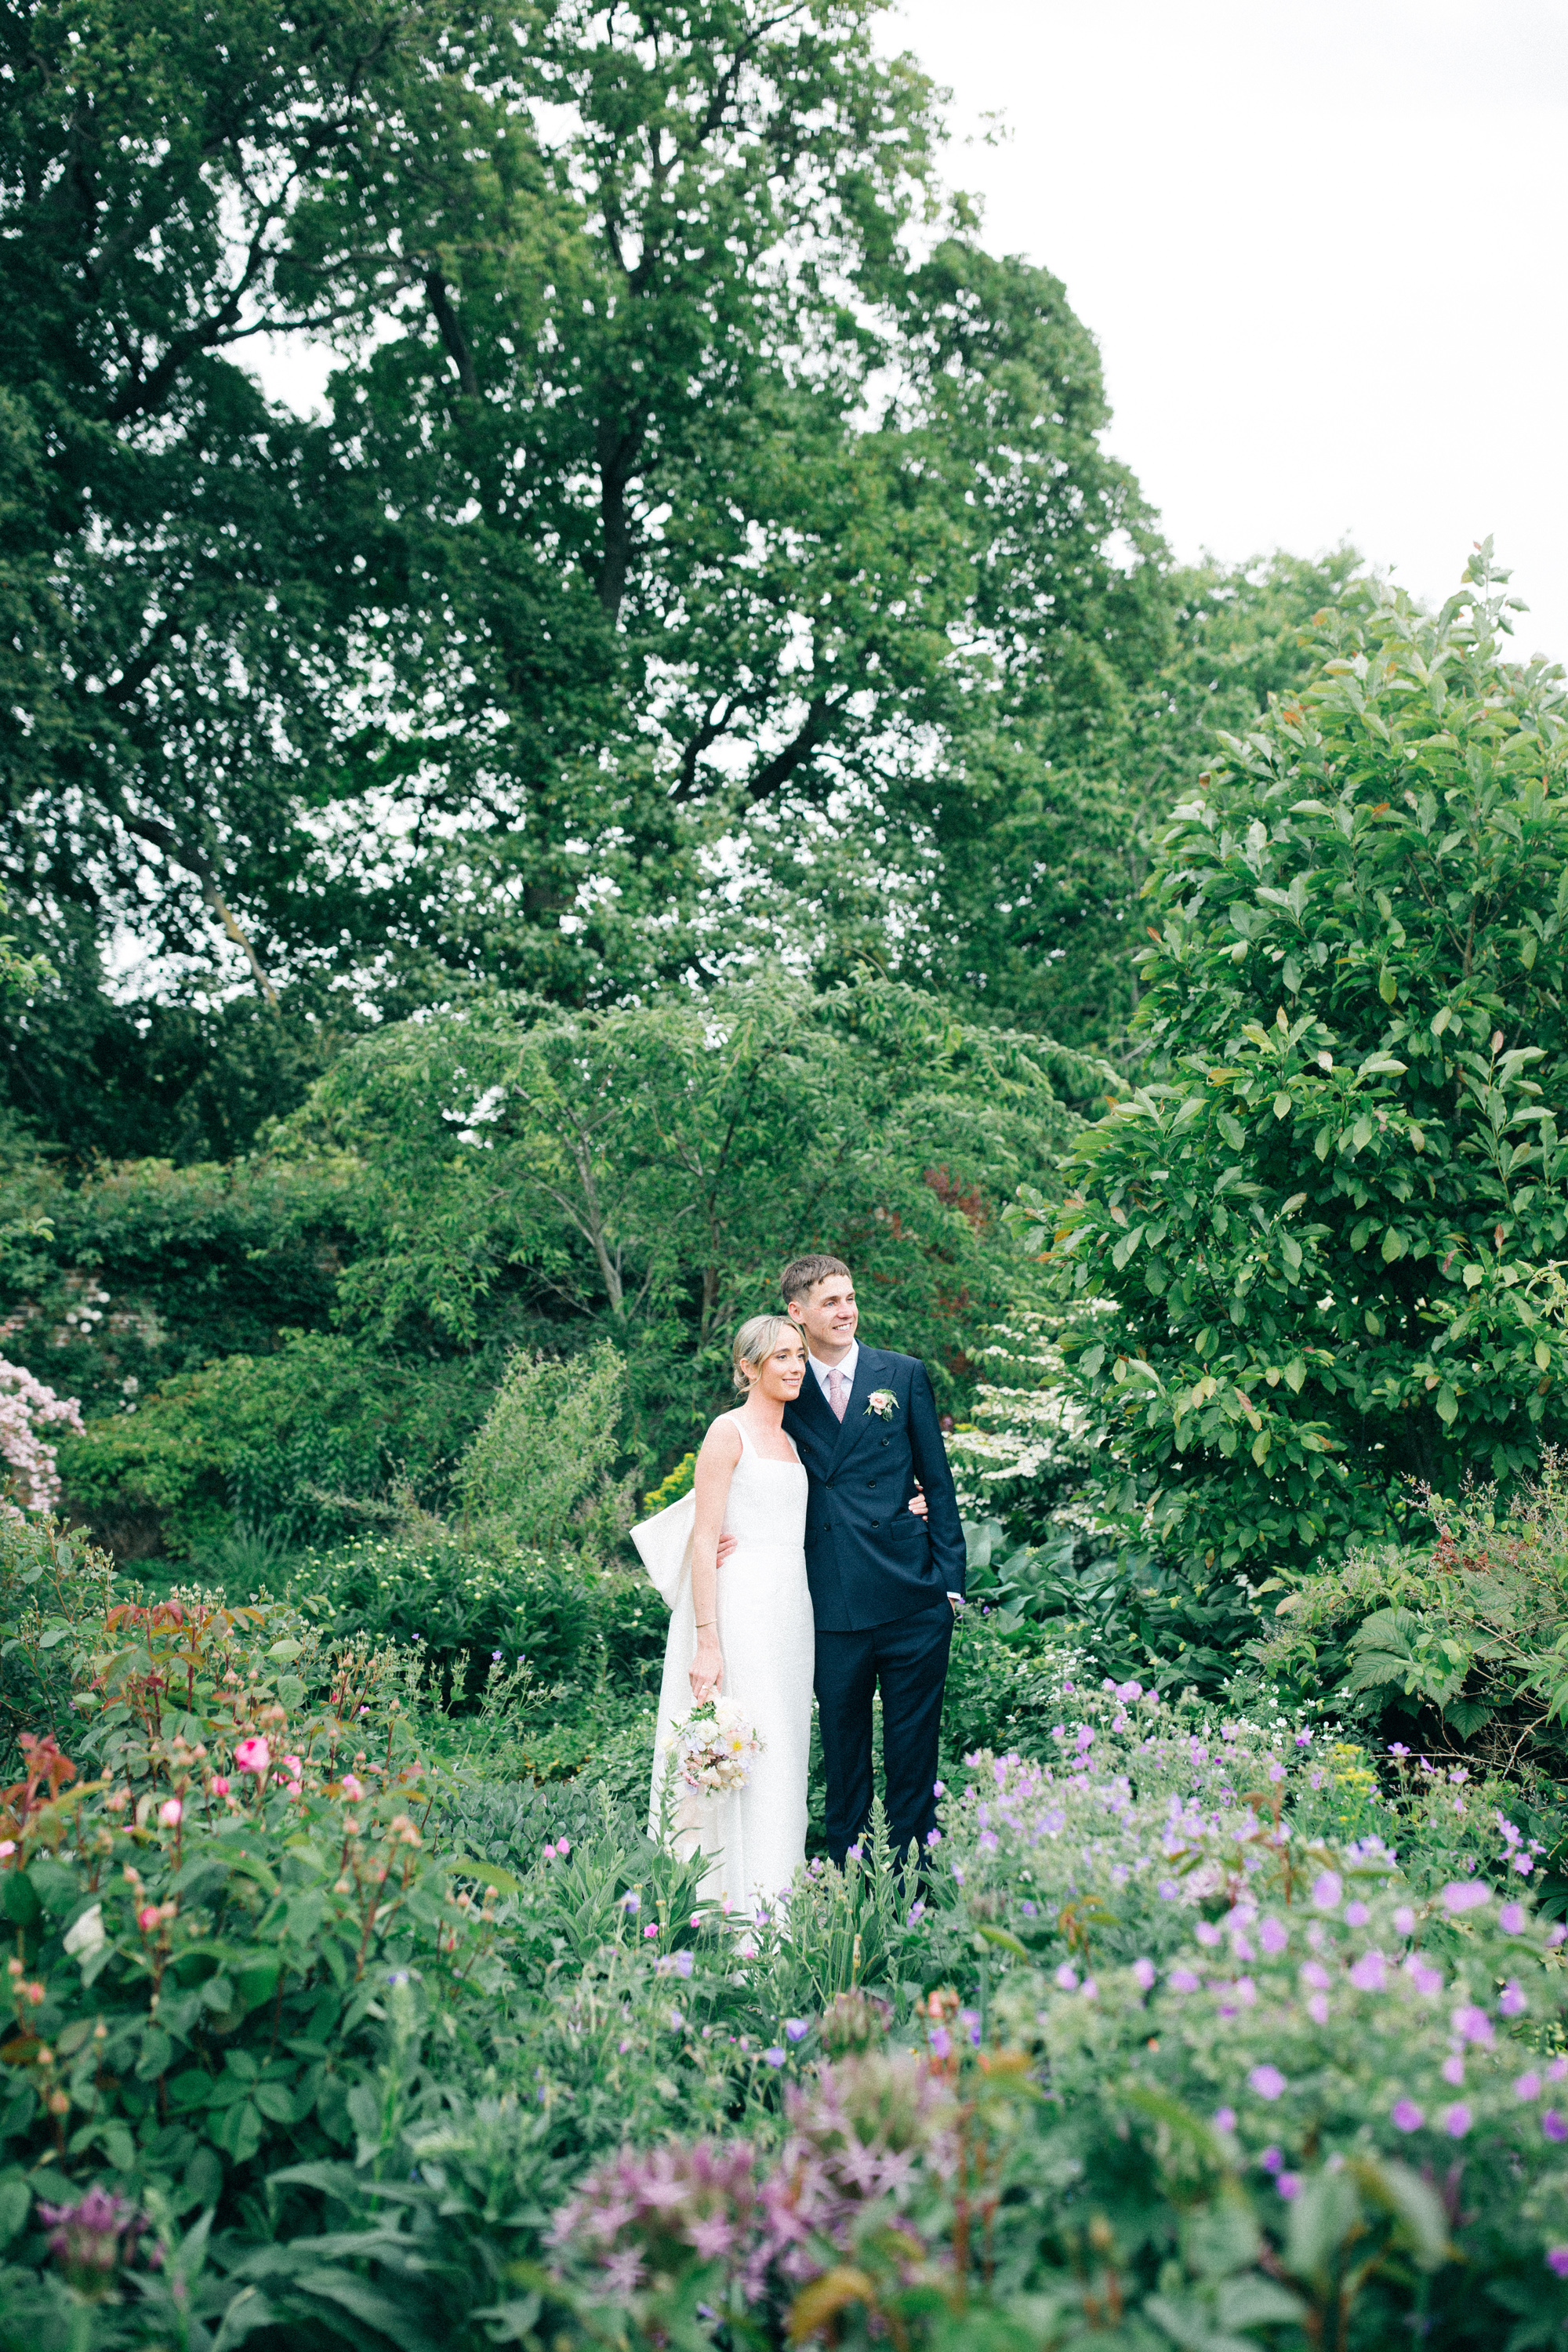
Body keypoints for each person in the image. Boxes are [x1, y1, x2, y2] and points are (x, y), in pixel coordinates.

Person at [779, 1254, 966, 1870]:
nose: (847, 1311)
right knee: (844, 1759)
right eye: (831, 1301)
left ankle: (914, 1887)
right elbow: (748, 1464)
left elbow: (938, 1485)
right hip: (831, 1606)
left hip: (912, 1599)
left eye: (851, 1298)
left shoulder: (903, 1374)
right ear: (797, 1313)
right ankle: (846, 1889)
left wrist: (950, 1586)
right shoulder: (785, 1383)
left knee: (913, 1756)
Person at [641, 1315, 815, 1910]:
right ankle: (734, 1909)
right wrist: (708, 1642)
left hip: (792, 1615)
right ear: (748, 1368)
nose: (794, 1366)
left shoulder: (796, 1440)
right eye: (780, 1357)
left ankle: (779, 1901)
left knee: (785, 1753)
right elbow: (704, 1536)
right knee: (749, 1746)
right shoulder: (727, 1432)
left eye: (799, 1355)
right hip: (740, 1611)